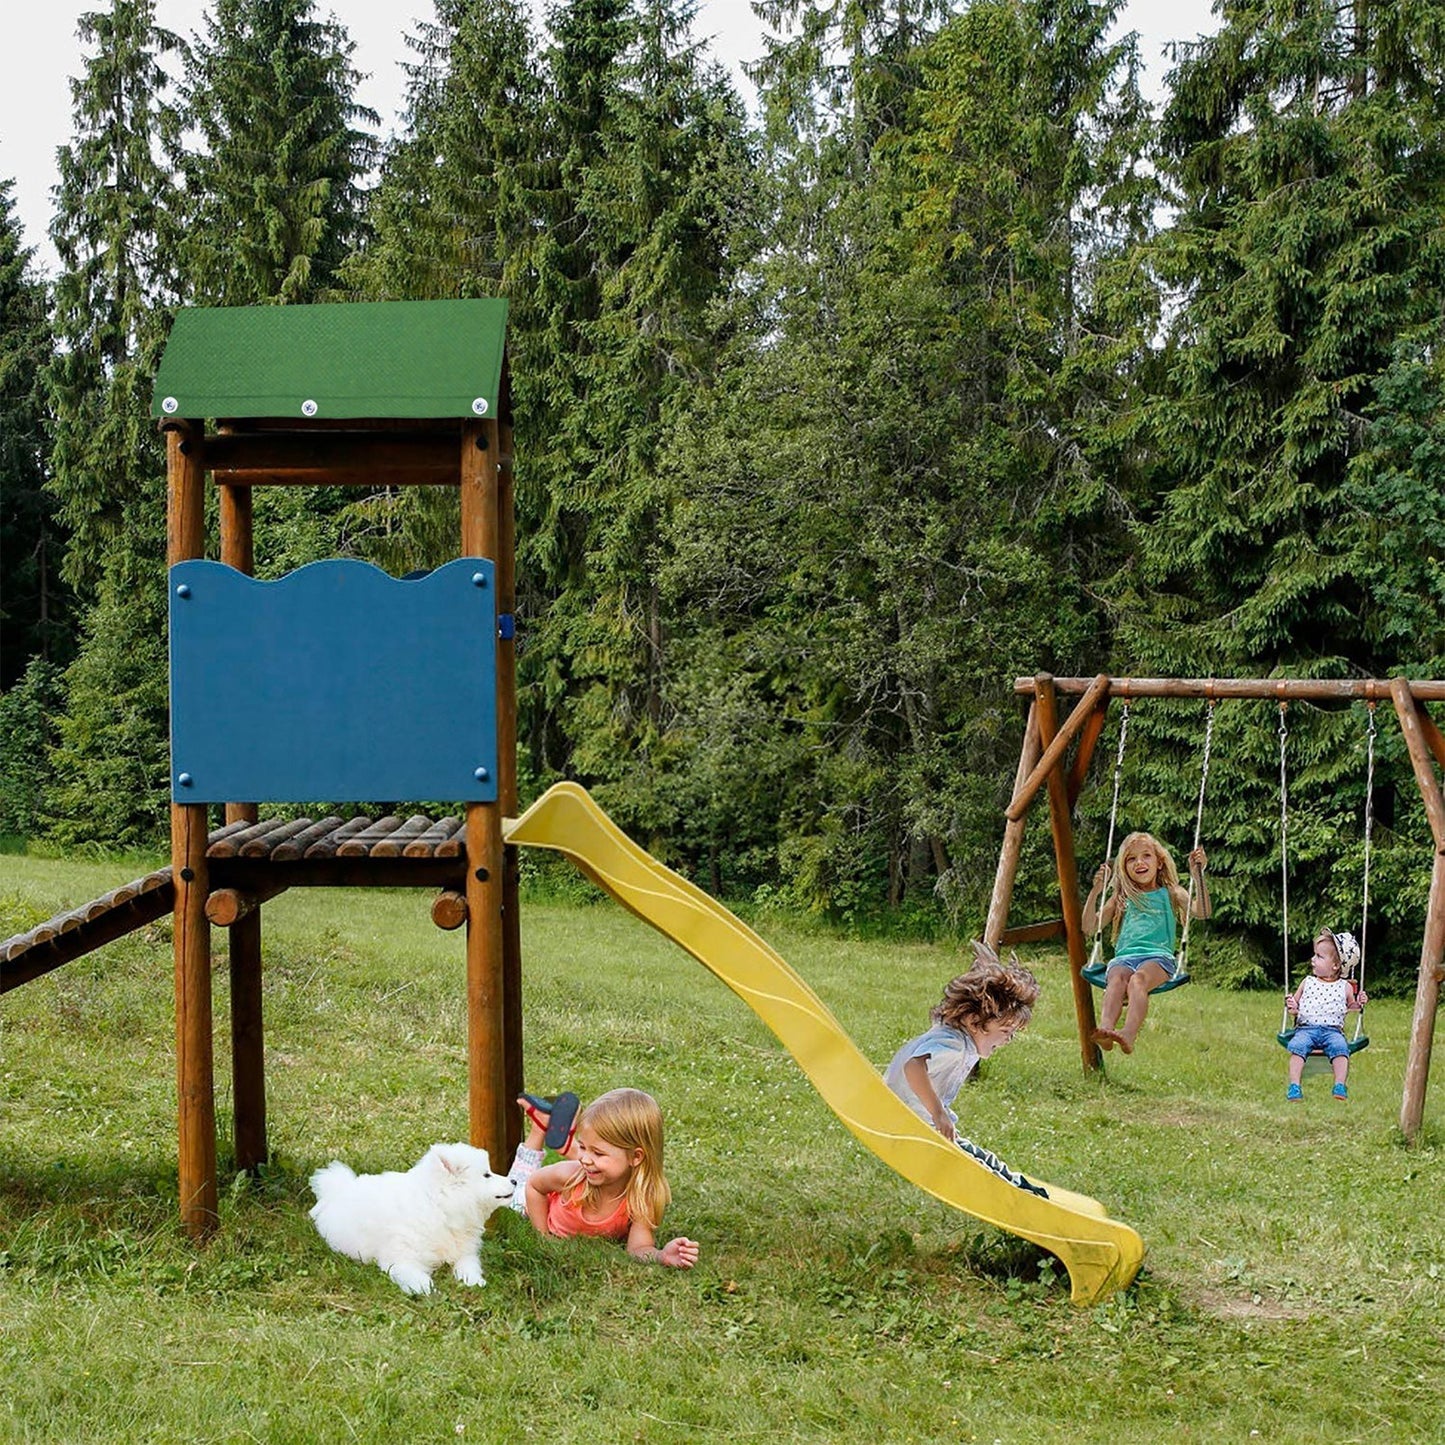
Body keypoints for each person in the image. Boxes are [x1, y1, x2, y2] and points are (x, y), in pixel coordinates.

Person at [883, 942, 1048, 1198]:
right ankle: (1017, 1197)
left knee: (979, 1156)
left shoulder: (955, 1038)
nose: (1009, 1039)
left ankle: (1019, 1186)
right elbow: (913, 1066)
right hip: (916, 1129)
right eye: (1005, 1031)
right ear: (973, 1021)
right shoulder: (954, 1044)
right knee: (974, 1166)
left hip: (921, 1125)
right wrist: (938, 1114)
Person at [505, 1088, 700, 1268]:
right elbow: (534, 1185)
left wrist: (661, 1256)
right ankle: (538, 1130)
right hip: (530, 1202)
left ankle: (546, 1125)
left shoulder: (641, 1198)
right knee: (511, 1192)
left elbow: (638, 1248)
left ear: (635, 1157)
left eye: (598, 1153)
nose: (585, 1159)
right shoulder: (571, 1176)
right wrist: (543, 1235)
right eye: (582, 1147)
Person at [1082, 831, 1211, 1055]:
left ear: (1159, 862)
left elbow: (1203, 911)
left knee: (1137, 980)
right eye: (1131, 858)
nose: (1139, 862)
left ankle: (1128, 1034)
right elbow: (1089, 927)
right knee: (1116, 980)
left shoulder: (1171, 892)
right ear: (1124, 867)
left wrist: (1198, 875)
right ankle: (1106, 1030)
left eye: (1146, 856)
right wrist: (1096, 891)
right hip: (1123, 958)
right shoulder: (1122, 897)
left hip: (1158, 959)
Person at [1284, 928, 1367, 1101]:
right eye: (1314, 955)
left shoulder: (1344, 987)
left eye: (1319, 956)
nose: (1313, 959)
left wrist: (1360, 1002)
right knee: (1298, 1047)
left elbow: (1352, 1007)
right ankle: (1294, 1086)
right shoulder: (1307, 982)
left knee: (1341, 1049)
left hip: (1333, 1031)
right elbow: (1294, 1007)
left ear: (1335, 966)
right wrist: (1291, 1004)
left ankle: (1339, 1085)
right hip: (1306, 1029)